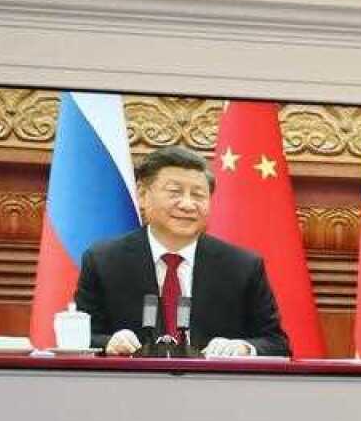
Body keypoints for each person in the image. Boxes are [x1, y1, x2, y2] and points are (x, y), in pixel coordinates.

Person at [75, 145, 289, 357]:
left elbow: (276, 343)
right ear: (142, 194)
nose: (188, 205)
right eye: (175, 192)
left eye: (198, 195)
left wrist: (243, 348)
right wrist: (109, 343)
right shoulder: (104, 261)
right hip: (129, 386)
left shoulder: (242, 266)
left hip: (214, 387)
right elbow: (80, 338)